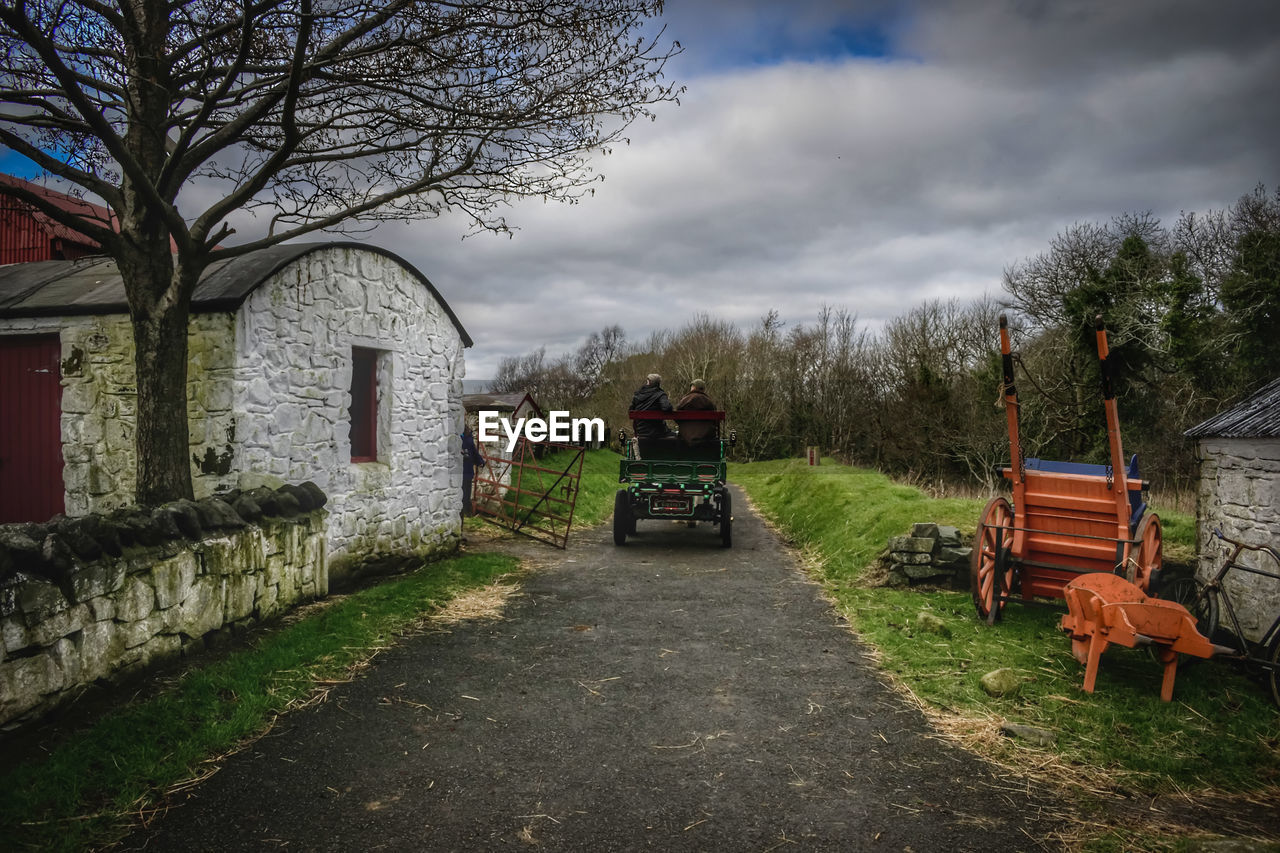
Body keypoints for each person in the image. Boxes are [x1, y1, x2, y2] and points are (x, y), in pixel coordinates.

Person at [629, 373, 675, 439]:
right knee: (675, 436)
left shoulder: (637, 394)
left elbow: (631, 410)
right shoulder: (660, 394)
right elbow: (667, 408)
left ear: (648, 382)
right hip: (659, 432)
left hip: (640, 432)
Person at [675, 378, 717, 445]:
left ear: (693, 387)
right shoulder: (709, 401)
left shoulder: (685, 400)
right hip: (706, 435)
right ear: (703, 389)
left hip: (686, 435)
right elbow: (715, 420)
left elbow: (677, 417)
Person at [461, 425, 485, 518]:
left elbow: (473, 450)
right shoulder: (455, 435)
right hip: (457, 470)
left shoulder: (468, 434)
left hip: (467, 469)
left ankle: (466, 513)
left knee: (466, 494)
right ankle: (462, 513)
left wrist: (480, 461)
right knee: (460, 494)